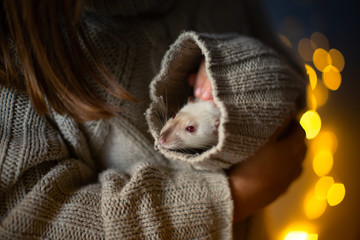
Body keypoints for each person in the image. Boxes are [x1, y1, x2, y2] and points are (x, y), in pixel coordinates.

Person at [0, 0, 306, 239]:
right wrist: (239, 193)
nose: (165, 137)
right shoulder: (13, 47)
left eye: (185, 125)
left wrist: (243, 75)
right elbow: (29, 223)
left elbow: (296, 89)